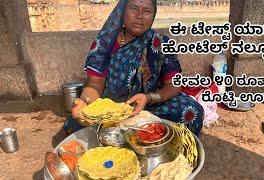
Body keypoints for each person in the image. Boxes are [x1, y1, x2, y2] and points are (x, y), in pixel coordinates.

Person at [64, 0, 204, 136]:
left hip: (148, 104)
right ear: (123, 11)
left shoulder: (161, 43)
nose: (139, 16)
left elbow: (174, 84)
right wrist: (85, 101)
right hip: (111, 109)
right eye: (133, 8)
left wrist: (148, 98)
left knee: (191, 111)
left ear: (154, 15)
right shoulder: (105, 42)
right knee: (77, 125)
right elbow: (94, 84)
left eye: (147, 11)